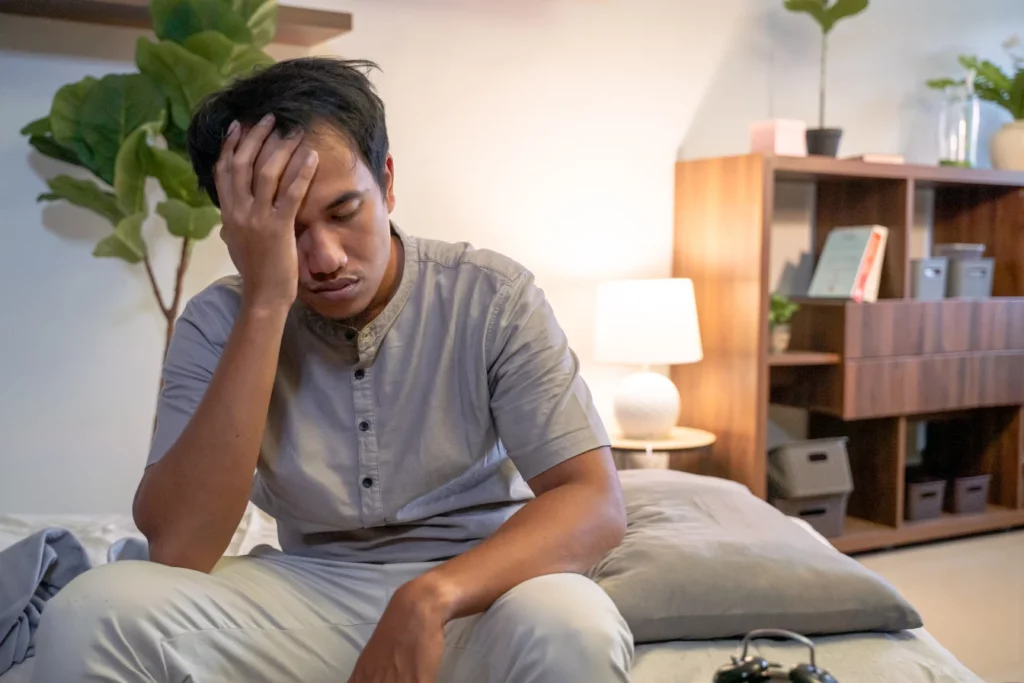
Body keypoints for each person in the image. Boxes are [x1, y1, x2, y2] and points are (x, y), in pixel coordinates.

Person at [32, 57, 632, 683]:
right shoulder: (218, 322)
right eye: (287, 230)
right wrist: (266, 301)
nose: (323, 258)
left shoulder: (492, 296)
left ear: (388, 183)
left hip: (485, 592)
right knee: (89, 614)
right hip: (307, 594)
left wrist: (432, 595)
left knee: (576, 625)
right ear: (237, 230)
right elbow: (180, 548)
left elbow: (593, 500)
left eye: (344, 213)